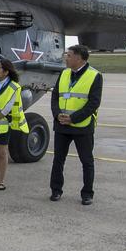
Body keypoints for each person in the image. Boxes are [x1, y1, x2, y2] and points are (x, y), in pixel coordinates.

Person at [49, 44, 102, 205]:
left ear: (79, 58)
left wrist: (73, 119)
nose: (66, 58)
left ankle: (87, 193)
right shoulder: (64, 73)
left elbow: (94, 103)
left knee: (86, 161)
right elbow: (55, 96)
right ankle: (56, 190)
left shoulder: (95, 76)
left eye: (69, 55)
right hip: (62, 125)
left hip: (82, 126)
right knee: (58, 159)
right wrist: (58, 115)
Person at [0, 58, 29, 191]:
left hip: (3, 125)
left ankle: (2, 180)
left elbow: (7, 108)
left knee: (2, 153)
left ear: (6, 72)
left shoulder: (14, 87)